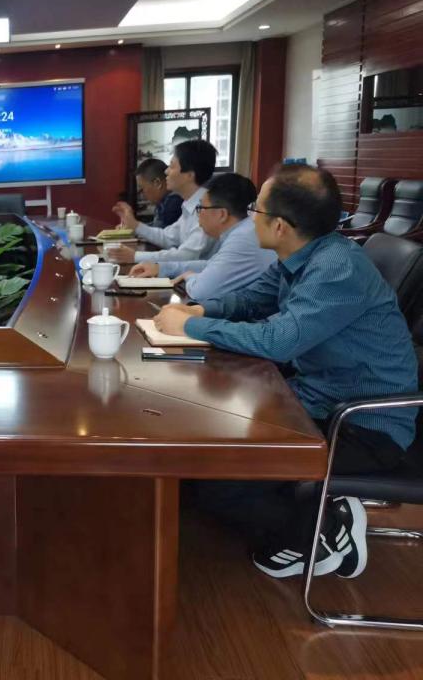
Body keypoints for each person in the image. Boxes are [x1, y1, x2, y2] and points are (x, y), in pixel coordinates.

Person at [153, 164, 418, 580]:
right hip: (315, 400)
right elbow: (250, 301)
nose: (250, 216)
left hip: (362, 425)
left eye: (255, 210)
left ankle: (322, 530)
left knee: (216, 484)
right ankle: (313, 512)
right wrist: (199, 311)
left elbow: (278, 341)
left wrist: (188, 328)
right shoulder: (302, 255)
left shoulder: (336, 267)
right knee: (202, 461)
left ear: (279, 226)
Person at [129, 173, 276, 301]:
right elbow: (212, 265)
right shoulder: (239, 232)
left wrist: (190, 276)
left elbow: (200, 291)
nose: (198, 214)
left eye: (201, 208)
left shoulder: (242, 238)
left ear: (221, 214)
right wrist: (162, 268)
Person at [109, 139, 218, 264]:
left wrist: (135, 256)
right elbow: (168, 237)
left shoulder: (208, 208)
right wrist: (135, 225)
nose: (166, 171)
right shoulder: (189, 204)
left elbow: (186, 256)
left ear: (189, 175)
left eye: (172, 166)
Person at [134, 158, 182, 228]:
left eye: (142, 189)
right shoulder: (164, 200)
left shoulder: (173, 201)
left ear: (157, 183)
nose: (142, 194)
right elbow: (155, 225)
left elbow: (159, 231)